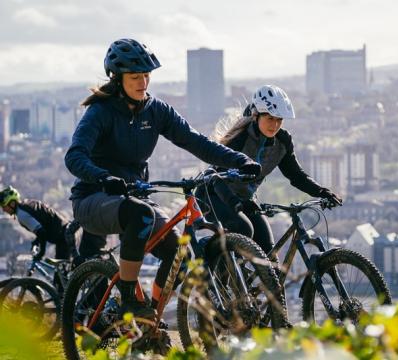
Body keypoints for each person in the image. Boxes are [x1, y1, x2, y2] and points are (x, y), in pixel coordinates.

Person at [64, 38, 261, 319]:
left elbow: (197, 142)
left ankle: (149, 319)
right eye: (135, 77)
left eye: (147, 76)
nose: (143, 82)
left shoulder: (156, 110)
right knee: (142, 214)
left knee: (179, 255)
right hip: (94, 198)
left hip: (132, 198)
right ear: (118, 79)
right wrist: (103, 177)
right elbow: (74, 156)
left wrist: (240, 160)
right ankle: (129, 301)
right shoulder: (101, 112)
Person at [197, 84, 342, 258]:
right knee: (244, 229)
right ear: (256, 115)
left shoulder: (282, 142)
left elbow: (295, 175)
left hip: (244, 200)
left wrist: (321, 192)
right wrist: (236, 203)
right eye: (270, 119)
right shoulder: (239, 139)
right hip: (213, 195)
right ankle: (211, 253)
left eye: (279, 120)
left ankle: (248, 282)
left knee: (268, 251)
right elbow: (217, 179)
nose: (275, 125)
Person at [0, 185, 75, 261]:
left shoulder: (21, 215)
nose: (3, 210)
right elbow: (45, 224)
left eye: (4, 206)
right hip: (66, 231)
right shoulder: (27, 204)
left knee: (63, 271)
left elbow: (41, 232)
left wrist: (41, 253)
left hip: (63, 237)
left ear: (12, 203)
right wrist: (36, 241)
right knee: (63, 269)